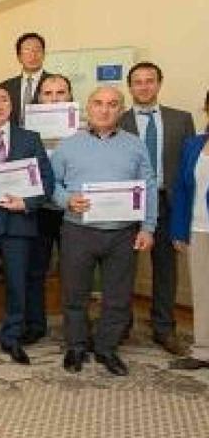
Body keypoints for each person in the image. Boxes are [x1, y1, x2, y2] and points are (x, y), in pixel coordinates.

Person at [52, 86, 156, 376]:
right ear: (88, 107)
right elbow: (51, 184)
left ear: (121, 109)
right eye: (98, 103)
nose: (104, 109)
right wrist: (66, 199)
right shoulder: (68, 145)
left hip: (123, 234)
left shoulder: (135, 144)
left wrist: (148, 227)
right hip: (78, 231)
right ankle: (76, 346)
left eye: (112, 104)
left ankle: (107, 348)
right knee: (75, 293)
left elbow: (148, 186)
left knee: (118, 296)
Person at [0, 83, 54, 365]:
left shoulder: (31, 139)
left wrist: (26, 203)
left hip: (20, 225)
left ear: (11, 106)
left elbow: (47, 182)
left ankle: (12, 337)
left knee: (18, 285)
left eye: (4, 100)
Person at [120, 62, 196, 353]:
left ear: (159, 84)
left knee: (166, 268)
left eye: (149, 81)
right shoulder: (118, 119)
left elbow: (190, 167)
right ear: (130, 87)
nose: (143, 86)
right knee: (122, 266)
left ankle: (163, 328)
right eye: (137, 82)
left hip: (167, 202)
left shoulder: (181, 119)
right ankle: (121, 324)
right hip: (128, 202)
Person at [23, 74, 73, 344]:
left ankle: (74, 327)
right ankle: (34, 324)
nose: (54, 98)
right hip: (38, 208)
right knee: (35, 270)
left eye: (60, 93)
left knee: (75, 271)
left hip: (72, 210)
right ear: (38, 97)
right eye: (47, 93)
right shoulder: (26, 131)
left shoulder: (85, 129)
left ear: (70, 96)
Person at [168, 90, 209, 370]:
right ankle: (203, 351)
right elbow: (182, 189)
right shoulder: (194, 144)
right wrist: (179, 230)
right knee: (202, 292)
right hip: (197, 228)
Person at [3, 32, 52, 126]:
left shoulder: (56, 83)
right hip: (15, 138)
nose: (33, 55)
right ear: (19, 57)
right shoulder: (7, 86)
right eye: (27, 50)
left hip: (47, 138)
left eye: (37, 50)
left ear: (44, 54)